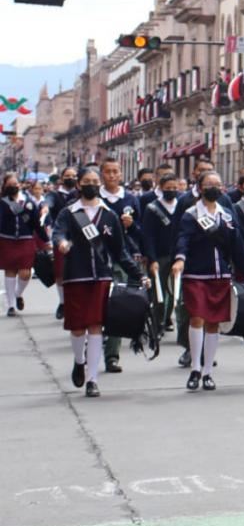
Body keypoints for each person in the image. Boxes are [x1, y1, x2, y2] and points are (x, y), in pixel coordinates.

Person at [52, 167, 148, 398]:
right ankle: (79, 360)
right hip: (76, 276)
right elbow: (58, 233)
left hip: (102, 277)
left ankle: (92, 379)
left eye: (95, 181)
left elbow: (120, 251)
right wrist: (62, 243)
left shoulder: (109, 215)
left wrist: (138, 275)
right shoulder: (69, 212)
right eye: (87, 181)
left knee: (96, 326)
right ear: (79, 185)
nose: (91, 184)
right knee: (77, 328)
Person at [171, 172, 244, 392]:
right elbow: (183, 239)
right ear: (199, 188)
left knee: (213, 323)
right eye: (209, 185)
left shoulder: (227, 215)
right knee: (197, 318)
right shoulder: (190, 215)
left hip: (220, 276)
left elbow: (237, 246)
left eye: (217, 185)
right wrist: (180, 260)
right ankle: (195, 368)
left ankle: (208, 371)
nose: (214, 188)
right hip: (196, 275)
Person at [98, 158, 141, 374]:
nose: (112, 175)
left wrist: (132, 226)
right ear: (102, 175)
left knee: (117, 304)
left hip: (122, 259)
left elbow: (140, 231)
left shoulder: (131, 199)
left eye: (116, 171)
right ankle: (93, 340)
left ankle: (112, 356)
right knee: (98, 304)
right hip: (97, 258)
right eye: (108, 171)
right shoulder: (96, 199)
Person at [0, 172, 46, 316]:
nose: (13, 187)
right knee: (10, 271)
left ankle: (18, 294)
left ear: (19, 185)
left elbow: (36, 225)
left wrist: (46, 240)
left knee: (25, 272)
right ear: (4, 186)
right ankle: (11, 306)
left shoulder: (28, 202)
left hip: (26, 240)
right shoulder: (1, 202)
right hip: (7, 239)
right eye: (10, 185)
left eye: (15, 184)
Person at [141, 174, 182, 331]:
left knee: (174, 292)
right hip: (160, 256)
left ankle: (167, 319)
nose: (171, 191)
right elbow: (148, 236)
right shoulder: (152, 208)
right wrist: (152, 259)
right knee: (159, 293)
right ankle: (157, 324)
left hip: (177, 256)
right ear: (161, 187)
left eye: (174, 188)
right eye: (168, 188)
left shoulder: (181, 206)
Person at [47, 168, 78, 319]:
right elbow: (48, 203)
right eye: (67, 176)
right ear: (61, 178)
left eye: (73, 176)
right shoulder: (54, 194)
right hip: (60, 237)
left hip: (78, 238)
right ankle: (63, 302)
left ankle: (74, 303)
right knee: (60, 272)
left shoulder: (80, 194)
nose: (70, 178)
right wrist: (45, 208)